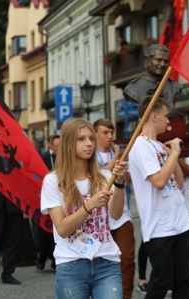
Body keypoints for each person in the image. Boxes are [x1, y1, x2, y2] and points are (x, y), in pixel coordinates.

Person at [40, 118, 128, 299]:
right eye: (81, 139)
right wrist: (88, 206)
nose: (88, 143)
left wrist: (118, 184)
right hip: (71, 264)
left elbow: (116, 214)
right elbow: (62, 229)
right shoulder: (53, 181)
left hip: (106, 262)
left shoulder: (104, 176)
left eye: (91, 138)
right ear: (68, 143)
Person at [129, 96, 189, 299]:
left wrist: (172, 155)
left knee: (182, 281)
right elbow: (158, 181)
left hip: (181, 223)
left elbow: (180, 183)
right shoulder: (140, 146)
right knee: (161, 281)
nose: (168, 121)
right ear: (154, 116)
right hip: (159, 227)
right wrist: (174, 154)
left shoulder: (158, 145)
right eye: (166, 116)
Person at [93, 118, 135, 299]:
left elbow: (128, 180)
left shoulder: (119, 154)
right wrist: (116, 160)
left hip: (121, 215)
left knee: (126, 259)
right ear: (96, 135)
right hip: (98, 216)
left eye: (111, 133)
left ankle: (126, 295)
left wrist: (121, 161)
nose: (110, 136)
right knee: (100, 261)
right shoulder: (91, 154)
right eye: (105, 133)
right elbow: (97, 173)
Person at [123, 44, 181, 108]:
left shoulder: (174, 87)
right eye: (158, 60)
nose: (162, 64)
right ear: (148, 61)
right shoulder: (133, 88)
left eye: (166, 61)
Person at [36, 134, 59, 270]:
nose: (58, 148)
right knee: (43, 233)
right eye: (56, 146)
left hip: (59, 199)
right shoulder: (44, 159)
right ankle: (42, 258)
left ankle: (54, 261)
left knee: (54, 231)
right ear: (50, 145)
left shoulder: (65, 159)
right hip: (44, 198)